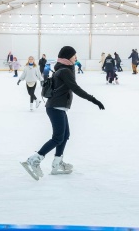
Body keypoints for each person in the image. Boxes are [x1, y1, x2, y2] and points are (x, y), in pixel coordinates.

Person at [21, 46, 105, 181]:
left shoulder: (63, 69)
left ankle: (57, 163)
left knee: (65, 135)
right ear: (67, 57)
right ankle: (34, 160)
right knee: (58, 137)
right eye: (74, 56)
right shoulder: (65, 71)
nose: (76, 58)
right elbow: (76, 89)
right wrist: (94, 100)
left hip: (58, 107)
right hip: (55, 107)